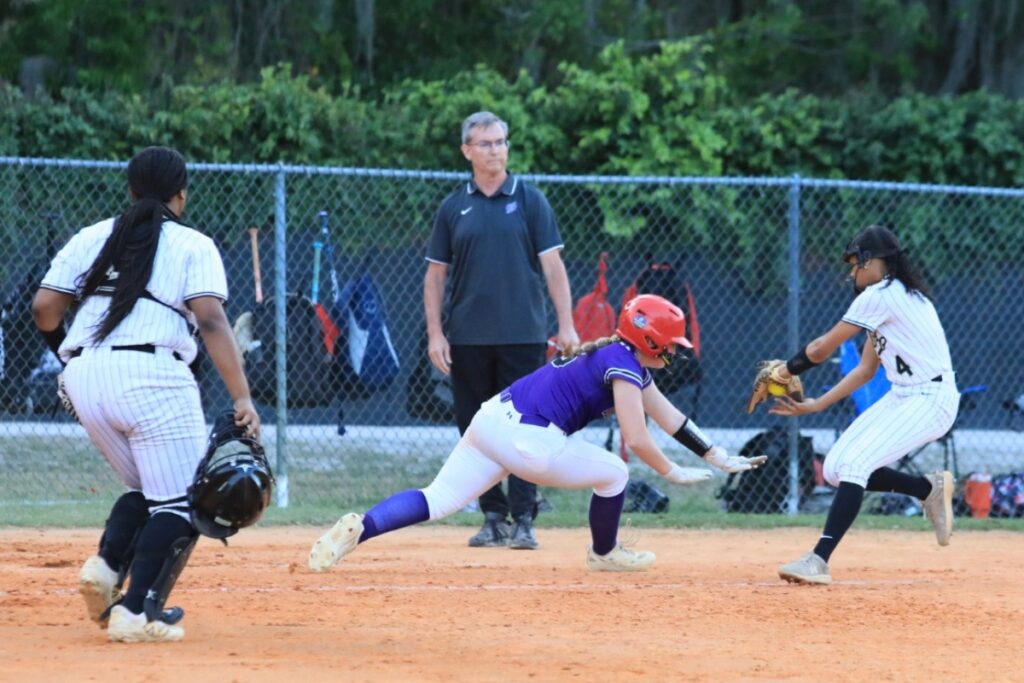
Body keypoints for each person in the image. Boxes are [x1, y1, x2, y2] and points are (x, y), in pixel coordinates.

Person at [308, 294, 767, 574]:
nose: (672, 353)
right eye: (668, 345)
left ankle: (359, 528)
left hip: (491, 422)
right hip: (531, 441)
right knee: (613, 472)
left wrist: (716, 455)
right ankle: (603, 553)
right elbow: (641, 438)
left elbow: (671, 419)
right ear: (647, 341)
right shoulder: (623, 365)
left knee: (437, 499)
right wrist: (671, 472)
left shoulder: (618, 357)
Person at [31, 146, 260, 642]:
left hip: (84, 375)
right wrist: (242, 397)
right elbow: (211, 319)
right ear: (181, 194)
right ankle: (136, 613)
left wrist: (71, 360)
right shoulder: (192, 244)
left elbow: (45, 309)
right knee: (182, 503)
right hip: (151, 375)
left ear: (131, 190)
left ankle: (109, 567)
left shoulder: (93, 236)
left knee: (151, 491)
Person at [762, 225, 959, 585]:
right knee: (837, 469)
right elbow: (867, 370)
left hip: (933, 399)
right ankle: (927, 490)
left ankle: (818, 559)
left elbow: (821, 349)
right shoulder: (891, 296)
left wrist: (783, 370)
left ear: (874, 261)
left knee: (856, 463)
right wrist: (817, 404)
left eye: (856, 264)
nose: (852, 272)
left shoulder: (883, 294)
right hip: (904, 396)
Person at [423, 111, 580, 550]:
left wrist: (566, 324)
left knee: (528, 426)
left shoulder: (530, 200)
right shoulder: (454, 207)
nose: (496, 150)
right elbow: (435, 276)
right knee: (478, 428)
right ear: (467, 151)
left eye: (501, 142)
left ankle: (524, 517)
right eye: (486, 143)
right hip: (468, 338)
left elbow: (553, 267)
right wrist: (436, 334)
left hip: (523, 335)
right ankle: (492, 516)